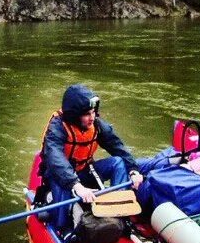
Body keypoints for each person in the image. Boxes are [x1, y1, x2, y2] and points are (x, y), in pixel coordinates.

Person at [39, 84, 144, 229]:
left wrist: (133, 169)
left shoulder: (97, 125)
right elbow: (55, 158)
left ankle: (119, 214)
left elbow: (117, 146)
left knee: (118, 162)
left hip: (84, 171)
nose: (92, 118)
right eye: (87, 114)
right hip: (62, 177)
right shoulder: (57, 128)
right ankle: (64, 228)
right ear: (75, 115)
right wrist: (76, 186)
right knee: (61, 189)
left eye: (93, 112)